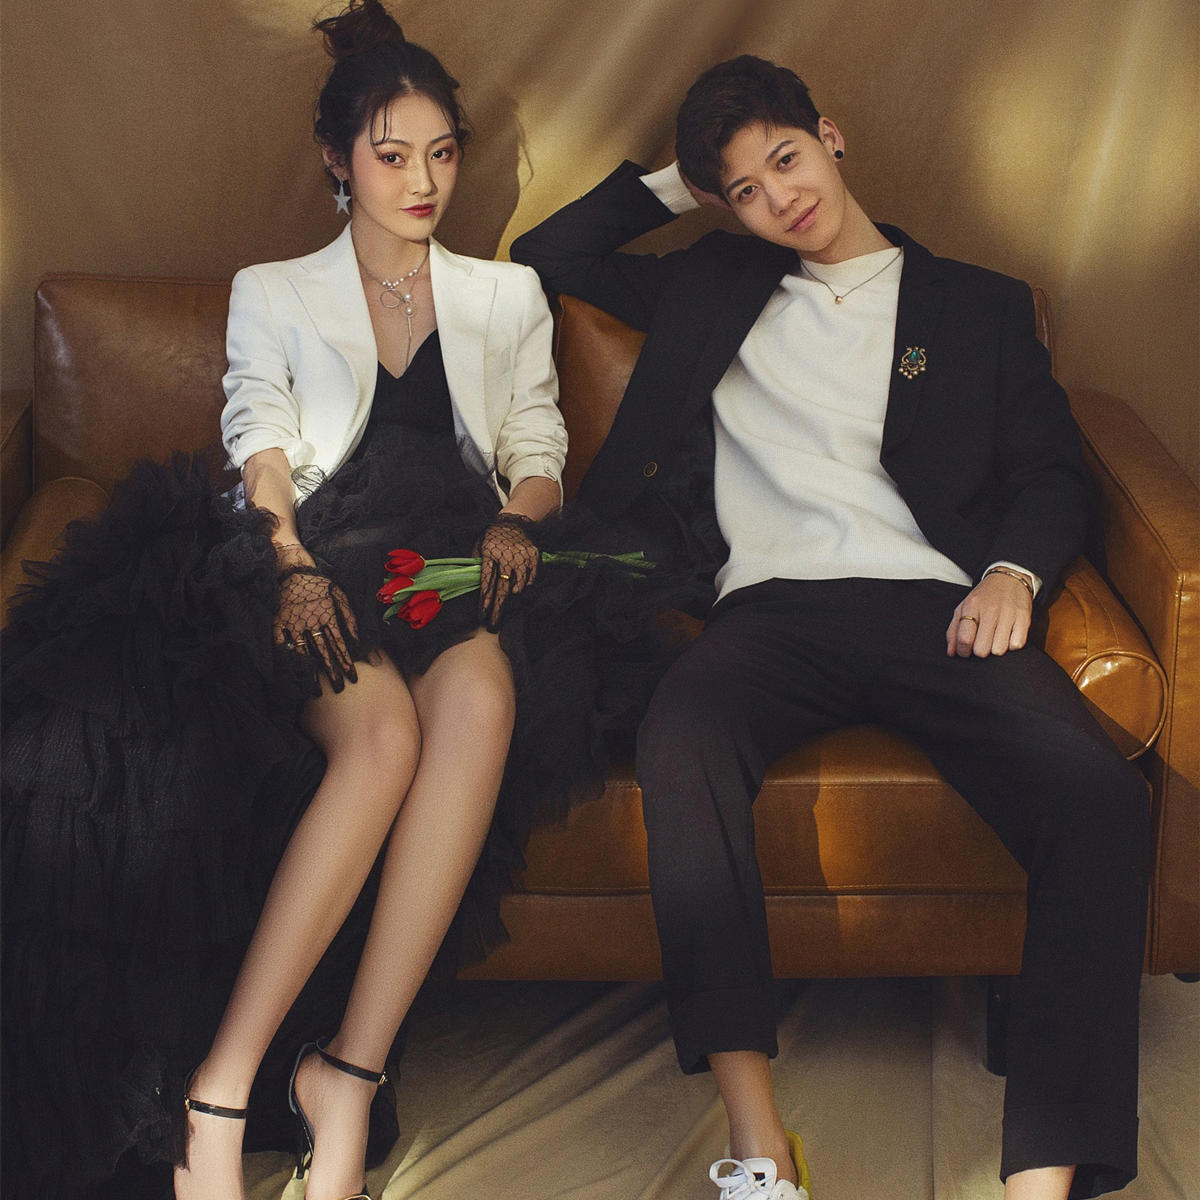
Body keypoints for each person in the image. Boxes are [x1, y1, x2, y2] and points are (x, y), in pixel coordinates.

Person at [1, 4, 663, 1198]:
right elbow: (257, 439)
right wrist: (289, 561)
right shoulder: (275, 289)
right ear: (338, 160)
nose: (424, 182)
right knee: (383, 737)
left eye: (441, 153)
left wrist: (519, 516)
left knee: (484, 706)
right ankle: (218, 1093)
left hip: (453, 556)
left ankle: (345, 1075)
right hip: (319, 545)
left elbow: (539, 446)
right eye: (393, 155)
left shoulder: (505, 295)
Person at [511, 54, 1149, 1200]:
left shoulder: (979, 305)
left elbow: (1054, 470)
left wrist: (1011, 574)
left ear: (832, 134)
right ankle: (760, 1149)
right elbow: (546, 254)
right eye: (747, 190)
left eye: (787, 158)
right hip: (769, 610)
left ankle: (1042, 1179)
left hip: (933, 605)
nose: (781, 198)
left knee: (1100, 798)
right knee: (680, 739)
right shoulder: (715, 284)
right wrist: (690, 178)